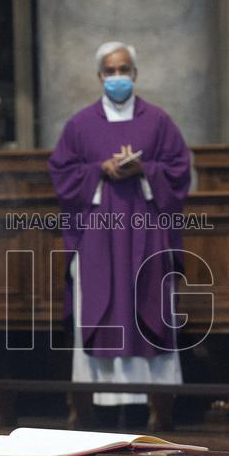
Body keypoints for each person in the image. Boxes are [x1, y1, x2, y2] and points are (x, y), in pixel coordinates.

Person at [47, 41, 191, 427]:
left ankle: (154, 405)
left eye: (123, 70)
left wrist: (145, 170)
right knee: (103, 304)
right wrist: (100, 169)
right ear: (99, 77)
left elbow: (179, 171)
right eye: (110, 72)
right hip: (98, 237)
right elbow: (61, 173)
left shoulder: (158, 121)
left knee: (146, 302)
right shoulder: (80, 124)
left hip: (145, 233)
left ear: (135, 75)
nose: (117, 78)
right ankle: (99, 410)